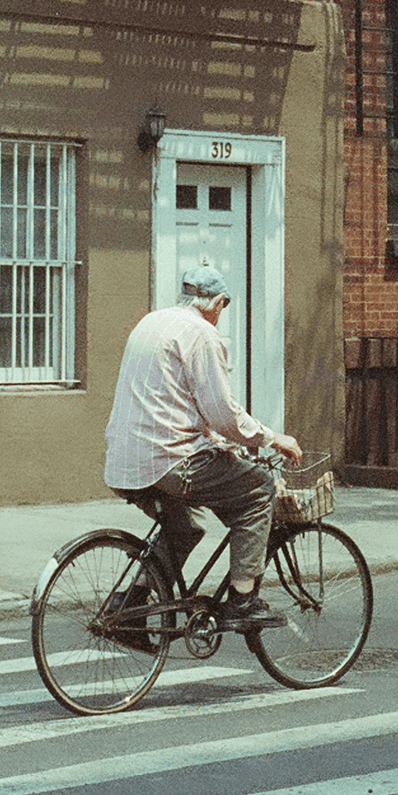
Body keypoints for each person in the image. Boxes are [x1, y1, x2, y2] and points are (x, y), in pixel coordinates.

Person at [104, 264, 303, 629]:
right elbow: (223, 413)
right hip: (169, 461)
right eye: (223, 307)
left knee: (186, 527)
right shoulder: (201, 334)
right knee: (258, 489)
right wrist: (272, 438)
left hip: (124, 459)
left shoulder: (151, 322)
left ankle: (128, 607)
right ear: (218, 302)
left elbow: (173, 404)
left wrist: (222, 443)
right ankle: (243, 600)